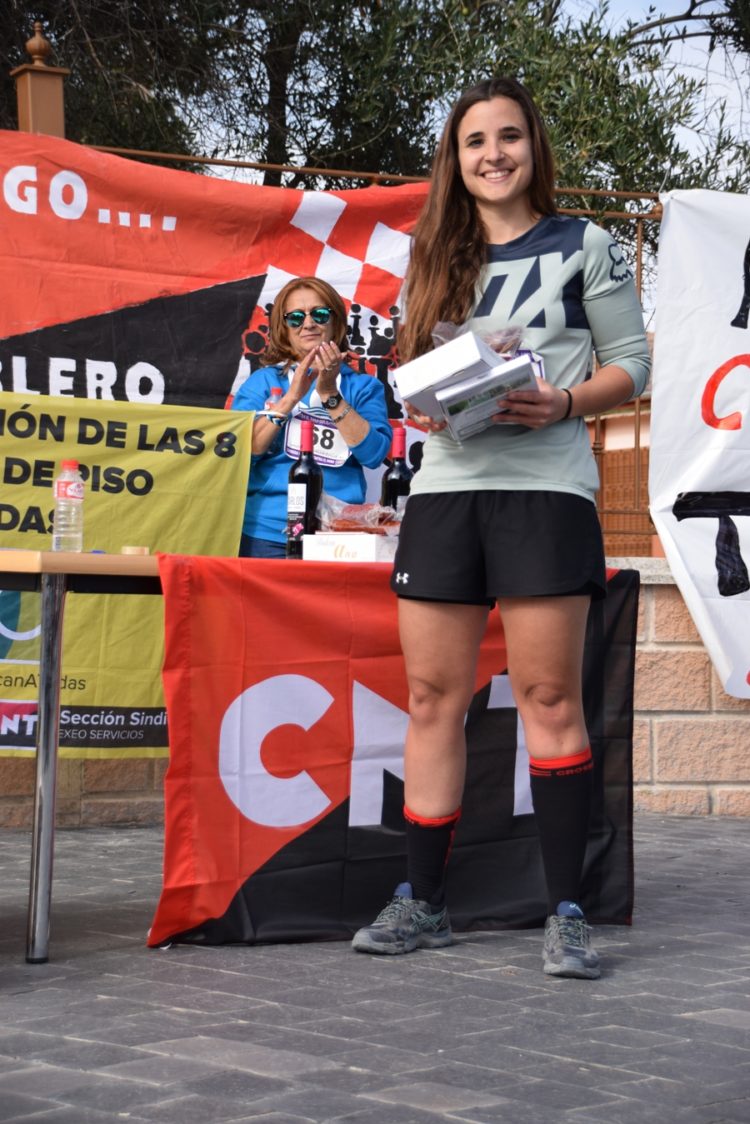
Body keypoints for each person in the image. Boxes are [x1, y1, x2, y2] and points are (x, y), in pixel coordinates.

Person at [351, 77, 651, 978]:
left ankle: (568, 913)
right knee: (433, 700)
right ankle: (424, 904)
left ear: (533, 148)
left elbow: (631, 365)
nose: (493, 154)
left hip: (547, 493)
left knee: (550, 701)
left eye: (509, 137)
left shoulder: (585, 243)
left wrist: (561, 399)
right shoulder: (434, 251)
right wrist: (430, 408)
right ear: (457, 158)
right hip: (445, 494)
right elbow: (416, 370)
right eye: (475, 140)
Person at [232, 277, 392, 557]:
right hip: (266, 532)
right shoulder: (262, 382)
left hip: (339, 534)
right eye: (295, 318)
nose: (308, 324)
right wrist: (290, 398)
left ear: (336, 323)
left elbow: (374, 454)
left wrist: (330, 394)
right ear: (285, 329)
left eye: (319, 314)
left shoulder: (363, 387)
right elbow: (242, 451)